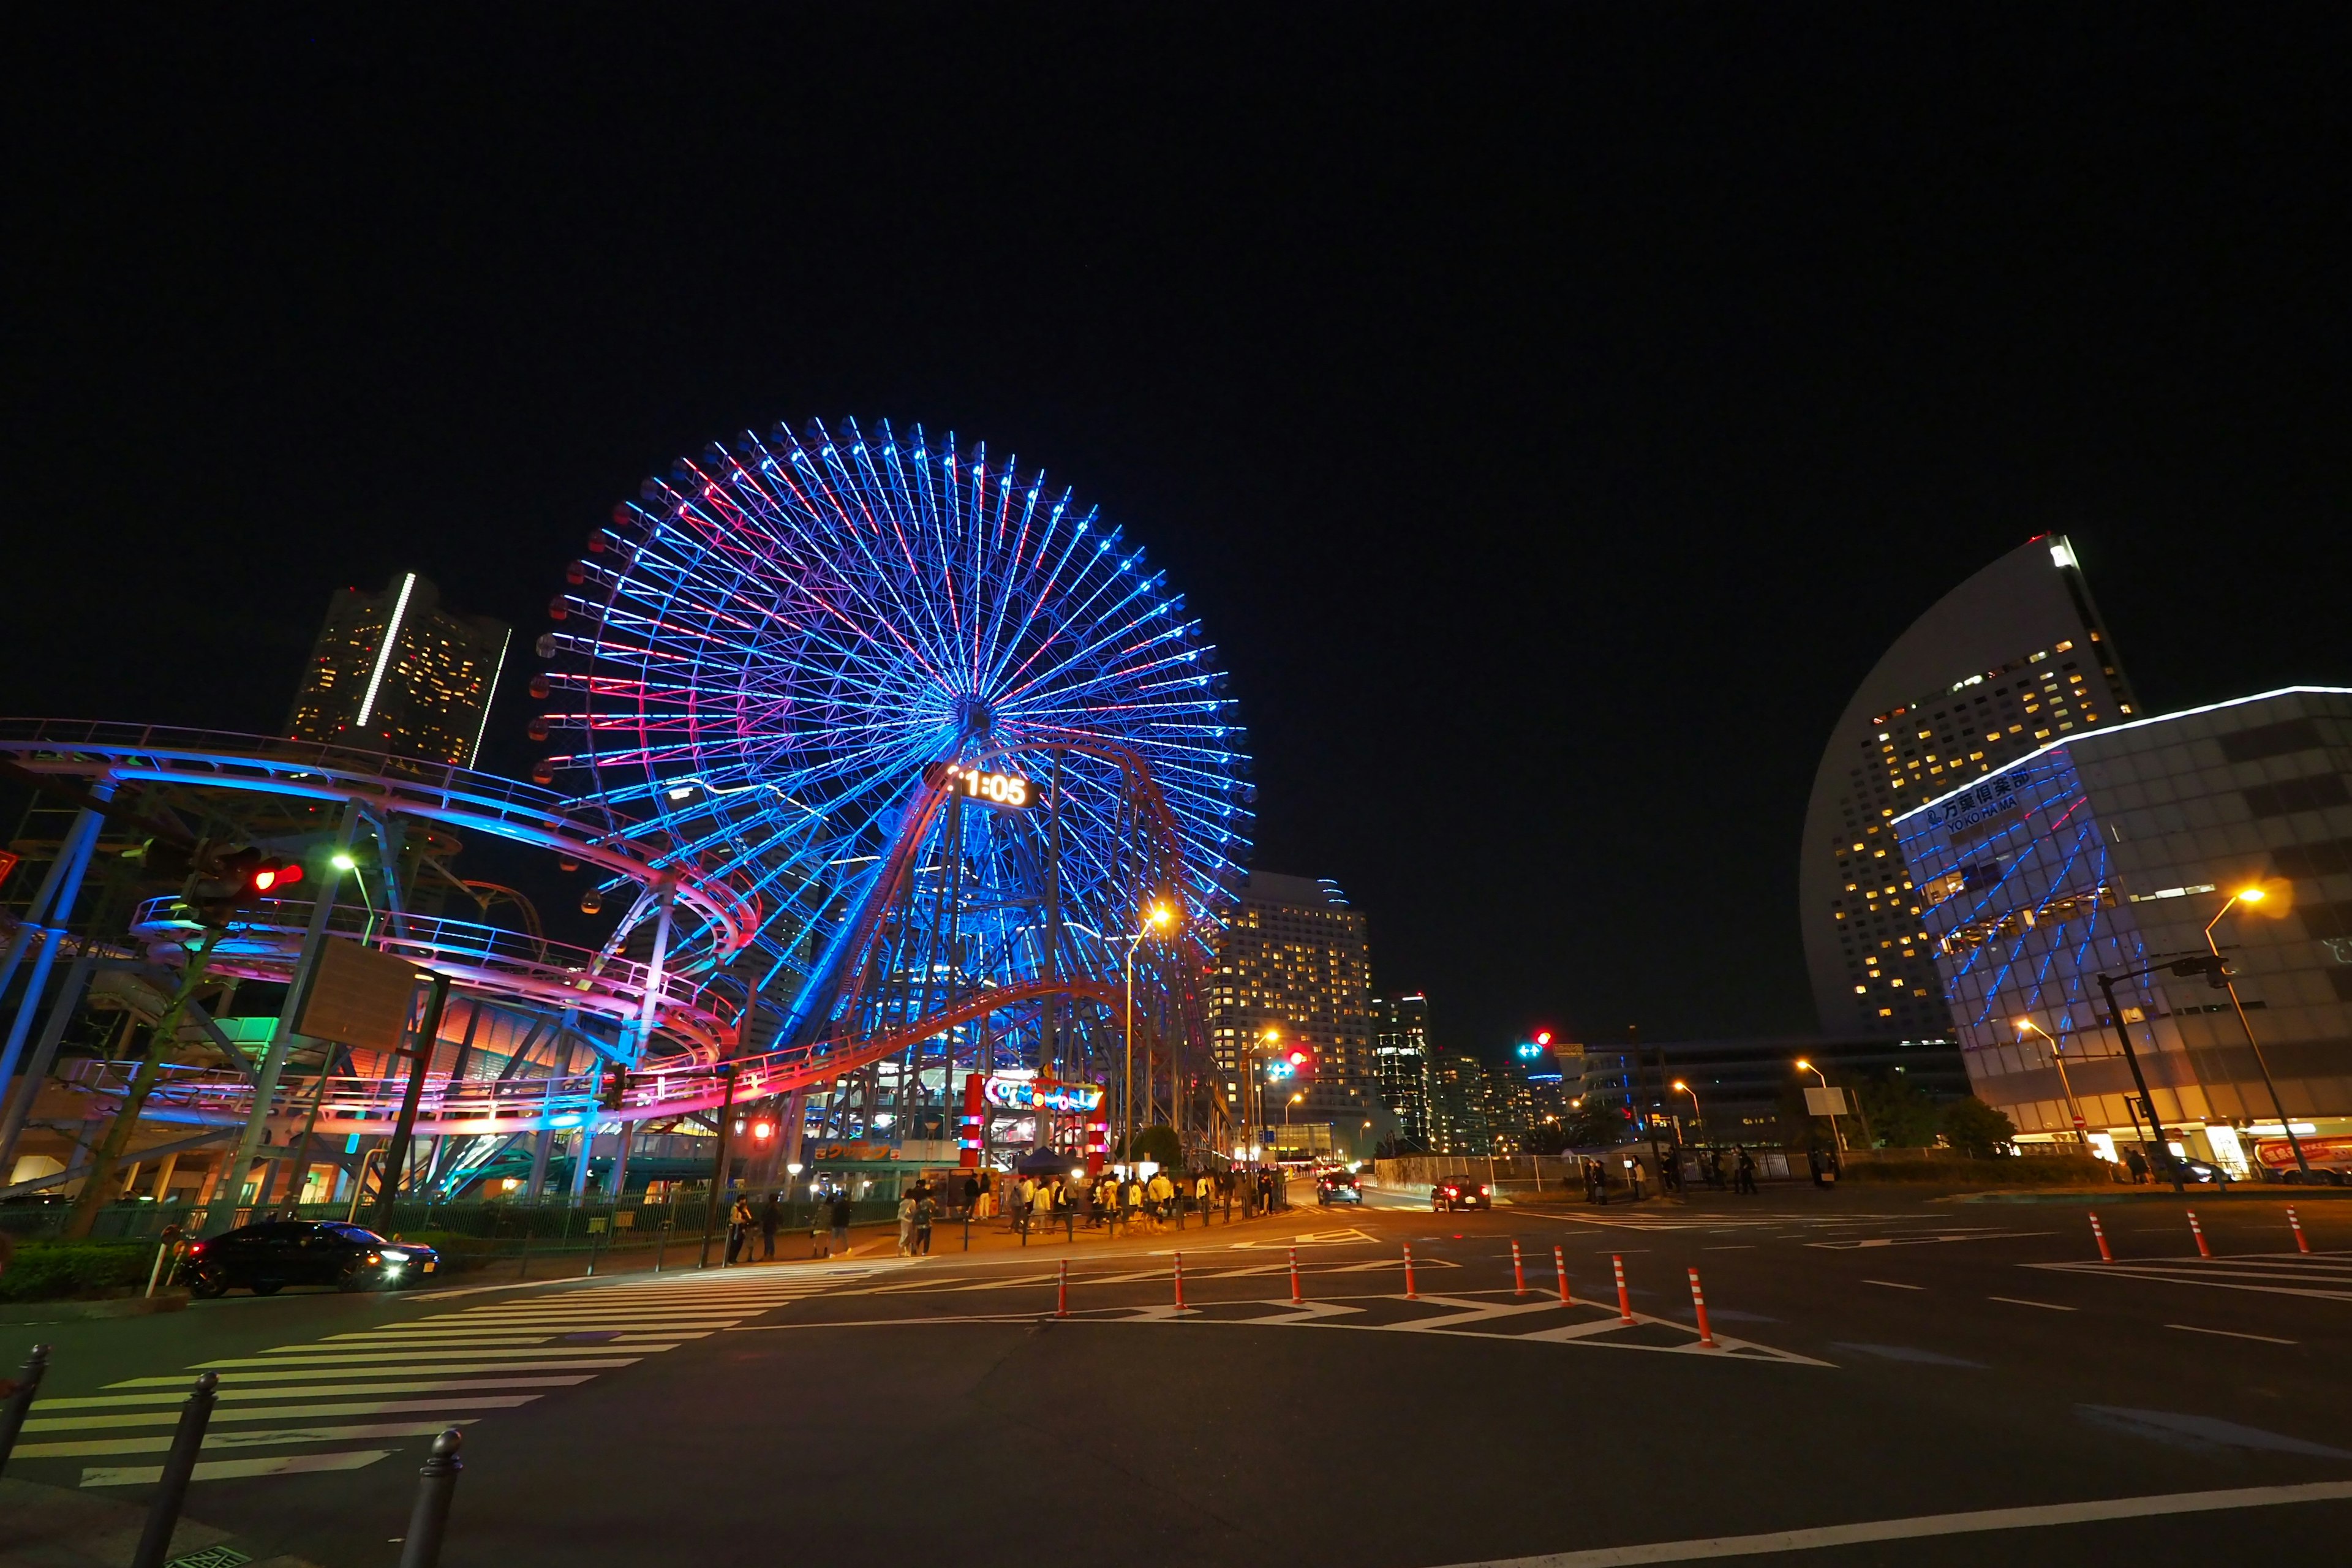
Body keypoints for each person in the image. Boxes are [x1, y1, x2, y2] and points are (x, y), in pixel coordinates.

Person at [726, 1193, 755, 1264]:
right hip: (736, 1228)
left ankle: (734, 1258)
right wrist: (741, 1221)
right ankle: (731, 1258)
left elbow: (749, 1217)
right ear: (741, 1200)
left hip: (742, 1228)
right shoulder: (735, 1208)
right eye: (744, 1200)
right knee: (734, 1244)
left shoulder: (744, 1208)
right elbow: (733, 1219)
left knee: (739, 1244)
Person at [828, 1188, 854, 1256]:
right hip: (842, 1224)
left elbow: (833, 1213)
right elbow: (847, 1215)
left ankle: (832, 1253)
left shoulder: (836, 1203)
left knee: (834, 1238)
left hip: (835, 1223)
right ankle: (847, 1249)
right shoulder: (846, 1204)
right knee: (844, 1238)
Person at [759, 1190, 780, 1261]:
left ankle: (768, 1254)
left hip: (769, 1225)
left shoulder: (772, 1207)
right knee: (769, 1240)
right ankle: (769, 1254)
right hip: (771, 1226)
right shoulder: (775, 1206)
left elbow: (766, 1216)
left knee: (768, 1240)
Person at [914, 1188, 935, 1255]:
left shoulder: (921, 1202)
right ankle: (925, 1251)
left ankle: (915, 1247)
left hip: (920, 1221)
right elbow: (933, 1211)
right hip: (927, 1222)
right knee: (927, 1236)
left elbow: (917, 1210)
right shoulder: (931, 1202)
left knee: (920, 1236)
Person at [896, 1191, 917, 1256]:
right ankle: (906, 1252)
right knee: (909, 1236)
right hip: (910, 1220)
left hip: (903, 1220)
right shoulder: (912, 1202)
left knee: (904, 1234)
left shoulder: (903, 1202)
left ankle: (901, 1251)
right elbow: (914, 1211)